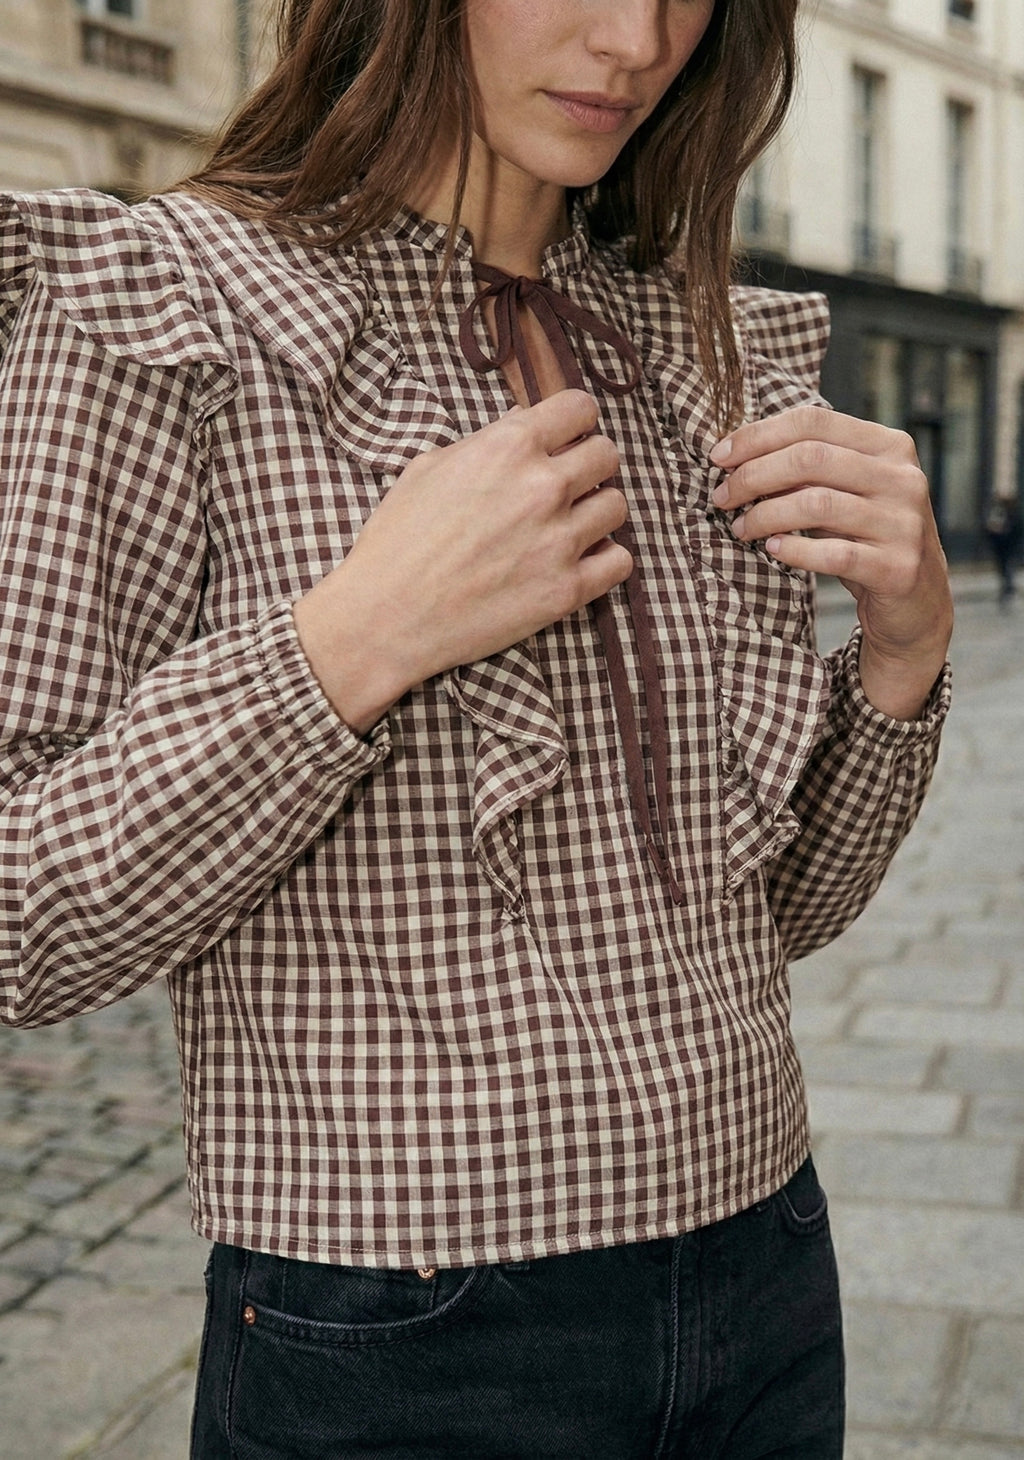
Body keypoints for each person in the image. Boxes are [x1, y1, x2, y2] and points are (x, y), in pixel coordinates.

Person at [0, 1, 953, 1455]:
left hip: (769, 1270)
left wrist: (904, 651)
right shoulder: (166, 311)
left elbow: (777, 912)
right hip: (399, 1333)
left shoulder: (695, 351)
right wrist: (354, 641)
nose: (635, 41)